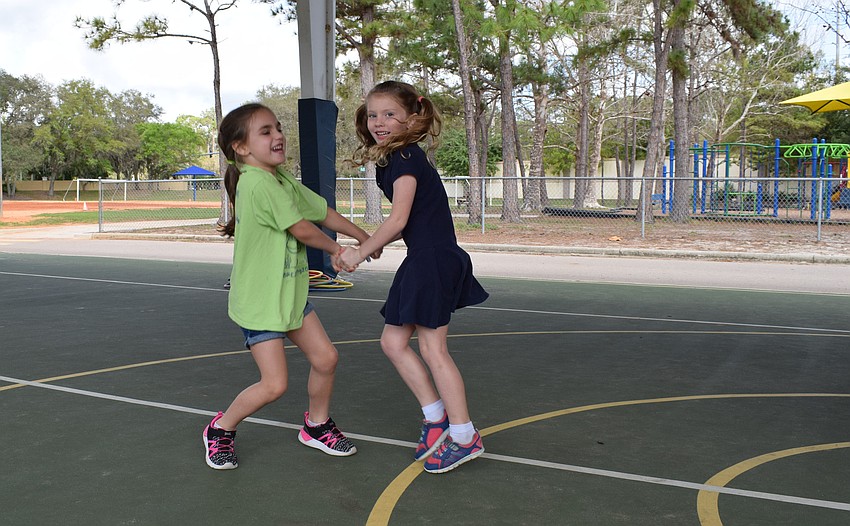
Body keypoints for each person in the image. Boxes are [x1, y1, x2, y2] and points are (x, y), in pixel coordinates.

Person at [203, 103, 378, 470]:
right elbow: (300, 228)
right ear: (241, 148)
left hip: (290, 295)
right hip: (260, 301)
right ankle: (220, 430)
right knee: (273, 385)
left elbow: (321, 212)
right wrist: (337, 250)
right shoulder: (256, 183)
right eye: (265, 131)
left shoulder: (281, 180)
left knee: (326, 358)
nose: (278, 135)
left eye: (278, 128)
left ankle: (316, 426)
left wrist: (363, 236)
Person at [341, 81, 489, 474]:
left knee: (434, 350)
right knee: (393, 342)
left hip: (434, 260)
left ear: (411, 116)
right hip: (423, 258)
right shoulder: (393, 158)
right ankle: (436, 417)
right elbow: (403, 223)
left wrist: (360, 249)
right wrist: (372, 243)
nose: (379, 122)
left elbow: (399, 219)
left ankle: (464, 436)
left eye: (389, 114)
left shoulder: (406, 157)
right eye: (373, 115)